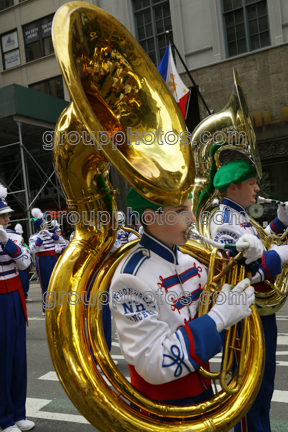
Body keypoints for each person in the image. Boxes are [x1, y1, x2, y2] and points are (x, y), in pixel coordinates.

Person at [109, 187, 256, 406]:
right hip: (161, 407)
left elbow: (219, 313)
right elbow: (153, 363)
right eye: (180, 210)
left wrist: (247, 261)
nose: (193, 218)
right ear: (149, 217)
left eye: (190, 207)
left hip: (204, 392)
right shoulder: (130, 278)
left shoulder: (192, 262)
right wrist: (218, 318)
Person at [210, 160, 288, 432]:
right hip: (244, 318)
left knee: (264, 388)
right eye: (252, 183)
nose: (257, 188)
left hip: (260, 313)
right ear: (233, 187)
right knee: (249, 391)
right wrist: (282, 254)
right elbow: (242, 268)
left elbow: (259, 244)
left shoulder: (241, 215)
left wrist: (280, 223)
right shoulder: (222, 221)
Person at [0, 184, 35, 432]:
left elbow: (24, 263)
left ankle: (18, 413)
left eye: (7, 215)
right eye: (3, 216)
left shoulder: (13, 237)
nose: (7, 218)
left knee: (17, 358)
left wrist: (5, 242)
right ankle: (4, 419)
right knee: (2, 360)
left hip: (14, 298)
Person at [29, 208, 62, 315]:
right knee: (46, 283)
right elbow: (33, 250)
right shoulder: (34, 237)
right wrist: (40, 238)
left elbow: (61, 241)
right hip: (43, 260)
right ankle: (46, 307)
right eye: (45, 224)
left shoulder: (50, 234)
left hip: (54, 259)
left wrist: (50, 234)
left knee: (56, 283)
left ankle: (56, 305)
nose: (47, 226)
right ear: (40, 226)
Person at [14, 223, 32, 302]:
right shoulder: (15, 243)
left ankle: (25, 295)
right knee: (21, 281)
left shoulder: (24, 245)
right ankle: (22, 296)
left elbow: (29, 252)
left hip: (26, 265)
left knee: (25, 281)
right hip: (19, 265)